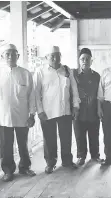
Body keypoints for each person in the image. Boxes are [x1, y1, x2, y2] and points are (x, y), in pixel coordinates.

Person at [0, 44, 36, 182]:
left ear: (18, 56)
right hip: (3, 117)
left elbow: (31, 96)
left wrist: (32, 115)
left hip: (22, 116)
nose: (10, 56)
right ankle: (8, 170)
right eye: (7, 54)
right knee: (5, 145)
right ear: (2, 56)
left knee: (23, 143)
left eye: (13, 54)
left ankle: (24, 167)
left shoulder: (25, 73)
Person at [34, 46, 80, 174]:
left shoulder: (67, 70)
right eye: (51, 55)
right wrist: (39, 110)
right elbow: (36, 93)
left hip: (65, 110)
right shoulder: (40, 72)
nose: (55, 58)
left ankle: (67, 161)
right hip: (47, 111)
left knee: (66, 137)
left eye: (57, 55)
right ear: (46, 57)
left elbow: (74, 90)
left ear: (61, 56)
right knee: (49, 139)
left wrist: (76, 106)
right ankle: (50, 162)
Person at [72, 48, 102, 166]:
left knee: (94, 134)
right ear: (79, 61)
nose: (85, 61)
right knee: (80, 135)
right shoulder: (74, 74)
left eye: (87, 59)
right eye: (82, 59)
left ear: (91, 61)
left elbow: (100, 94)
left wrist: (99, 109)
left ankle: (95, 155)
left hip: (93, 110)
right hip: (79, 111)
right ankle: (81, 156)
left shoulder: (97, 76)